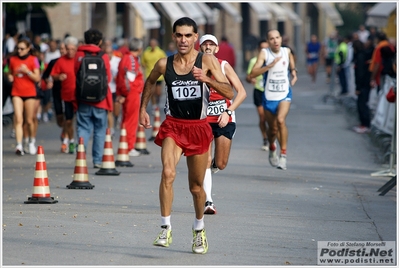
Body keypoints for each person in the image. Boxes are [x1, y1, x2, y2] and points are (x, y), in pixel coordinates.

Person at [139, 17, 233, 254]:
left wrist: (207, 79)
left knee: (196, 187)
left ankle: (199, 229)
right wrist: (143, 110)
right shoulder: (164, 64)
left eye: (188, 35)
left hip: (199, 127)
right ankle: (165, 227)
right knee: (168, 173)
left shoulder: (207, 60)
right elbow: (149, 82)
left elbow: (229, 91)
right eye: (179, 35)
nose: (183, 40)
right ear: (173, 36)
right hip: (173, 126)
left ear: (195, 37)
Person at [199, 34, 247, 214]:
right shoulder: (195, 66)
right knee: (205, 159)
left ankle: (209, 170)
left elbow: (241, 92)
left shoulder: (223, 65)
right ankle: (208, 201)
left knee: (220, 163)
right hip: (203, 120)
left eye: (212, 44)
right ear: (200, 48)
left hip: (223, 119)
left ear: (217, 48)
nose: (208, 47)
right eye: (205, 44)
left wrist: (228, 112)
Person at [249, 29, 297, 170]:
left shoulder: (286, 52)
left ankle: (283, 156)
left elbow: (292, 67)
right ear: (268, 41)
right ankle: (272, 146)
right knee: (272, 129)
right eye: (271, 38)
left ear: (281, 39)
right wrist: (269, 66)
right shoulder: (265, 54)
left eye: (277, 37)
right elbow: (253, 73)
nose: (275, 40)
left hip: (284, 94)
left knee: (281, 121)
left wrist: (294, 74)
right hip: (269, 96)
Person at [74, 28, 112, 168]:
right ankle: (97, 160)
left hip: (83, 98)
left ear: (85, 40)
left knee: (83, 127)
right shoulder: (103, 56)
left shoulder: (79, 54)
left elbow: (75, 73)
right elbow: (108, 77)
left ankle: (81, 157)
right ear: (100, 41)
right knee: (100, 130)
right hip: (100, 100)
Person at [7, 38, 41, 155]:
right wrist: (9, 76)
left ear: (28, 49)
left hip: (30, 93)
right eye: (18, 48)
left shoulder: (33, 60)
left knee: (30, 120)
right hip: (16, 92)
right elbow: (7, 70)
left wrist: (28, 71)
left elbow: (37, 78)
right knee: (18, 118)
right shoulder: (12, 59)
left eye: (22, 49)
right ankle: (19, 145)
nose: (20, 51)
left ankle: (31, 141)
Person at [116, 37, 144, 157]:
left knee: (127, 119)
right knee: (131, 120)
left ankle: (125, 144)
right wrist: (125, 93)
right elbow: (129, 80)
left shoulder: (126, 58)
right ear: (139, 48)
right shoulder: (131, 60)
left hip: (129, 92)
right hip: (132, 93)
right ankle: (129, 146)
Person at [51, 36, 79, 154]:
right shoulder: (60, 61)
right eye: (68, 49)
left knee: (79, 122)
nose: (70, 51)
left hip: (79, 96)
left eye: (73, 49)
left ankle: (72, 141)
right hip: (66, 96)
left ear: (77, 49)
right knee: (68, 121)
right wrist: (59, 77)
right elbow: (53, 74)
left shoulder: (80, 59)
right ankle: (71, 141)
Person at [246, 39, 269, 150]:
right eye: (262, 48)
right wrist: (251, 79)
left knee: (272, 119)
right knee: (262, 117)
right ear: (259, 49)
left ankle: (272, 137)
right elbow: (248, 77)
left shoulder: (272, 60)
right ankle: (265, 138)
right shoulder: (254, 61)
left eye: (266, 48)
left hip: (271, 92)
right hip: (259, 91)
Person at [43, 41, 67, 145]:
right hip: (57, 92)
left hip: (69, 93)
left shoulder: (74, 62)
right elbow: (45, 76)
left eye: (64, 49)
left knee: (69, 117)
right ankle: (63, 130)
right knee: (60, 119)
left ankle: (66, 138)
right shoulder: (54, 62)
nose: (63, 51)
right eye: (61, 49)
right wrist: (49, 82)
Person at [352, 38, 374, 134]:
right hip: (365, 84)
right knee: (361, 104)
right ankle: (363, 124)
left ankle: (365, 124)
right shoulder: (363, 55)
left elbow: (360, 73)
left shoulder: (360, 56)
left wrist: (358, 88)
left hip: (363, 85)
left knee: (362, 104)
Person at [103, 39, 122, 139]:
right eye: (106, 53)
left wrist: (117, 78)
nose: (108, 55)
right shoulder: (102, 61)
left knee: (116, 111)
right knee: (109, 111)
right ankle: (111, 129)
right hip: (107, 89)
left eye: (110, 53)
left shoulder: (117, 61)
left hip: (116, 89)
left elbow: (122, 75)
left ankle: (117, 117)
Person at [141, 38, 167, 112]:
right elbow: (143, 63)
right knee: (151, 91)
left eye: (154, 44)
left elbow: (165, 60)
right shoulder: (146, 53)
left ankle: (157, 102)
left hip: (159, 75)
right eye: (151, 44)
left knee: (158, 92)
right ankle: (154, 105)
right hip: (150, 74)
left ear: (156, 44)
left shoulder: (160, 52)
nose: (152, 45)